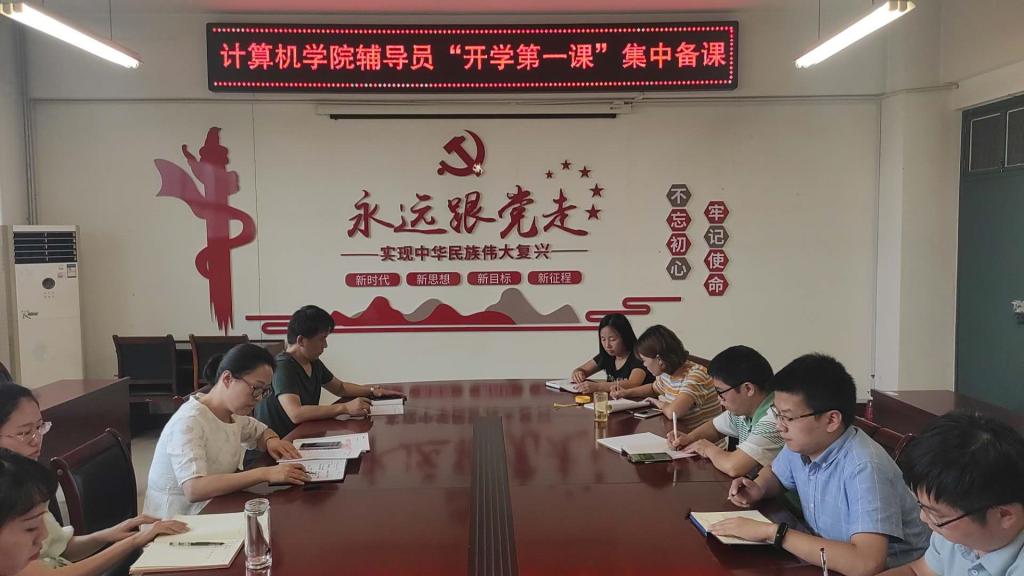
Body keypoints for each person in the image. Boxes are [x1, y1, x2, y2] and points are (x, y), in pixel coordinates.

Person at [711, 353, 930, 576]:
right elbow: (776, 474)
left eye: (787, 417)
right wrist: (758, 488)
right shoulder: (804, 443)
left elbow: (867, 563)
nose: (779, 426)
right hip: (825, 559)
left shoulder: (865, 467)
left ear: (831, 420)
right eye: (777, 414)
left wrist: (773, 533)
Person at [0, 384, 187, 575]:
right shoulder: (10, 491)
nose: (36, 439)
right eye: (24, 433)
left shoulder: (28, 479)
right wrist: (132, 541)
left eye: (39, 427)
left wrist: (109, 535)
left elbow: (60, 548)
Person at [144, 344, 308, 519]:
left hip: (216, 504)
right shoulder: (189, 421)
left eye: (265, 391)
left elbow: (260, 431)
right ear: (228, 378)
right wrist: (265, 473)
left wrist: (272, 441)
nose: (259, 398)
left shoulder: (231, 413)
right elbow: (194, 489)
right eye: (256, 389)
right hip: (178, 519)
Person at [878, 412, 1024, 576]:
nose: (923, 518)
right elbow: (918, 572)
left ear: (1004, 515)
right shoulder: (955, 532)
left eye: (937, 515)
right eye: (922, 506)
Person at [253, 305, 404, 440]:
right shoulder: (283, 366)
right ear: (301, 340)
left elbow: (340, 388)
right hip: (275, 449)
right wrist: (345, 408)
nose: (325, 345)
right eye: (322, 339)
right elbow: (296, 413)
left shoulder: (313, 362)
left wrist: (372, 391)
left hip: (300, 439)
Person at [667, 345, 782, 477]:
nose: (719, 398)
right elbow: (715, 428)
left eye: (720, 392)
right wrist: (688, 439)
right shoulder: (745, 410)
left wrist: (707, 448)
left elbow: (734, 467)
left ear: (748, 389)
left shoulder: (775, 419)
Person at [611, 325, 720, 428]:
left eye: (644, 360)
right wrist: (626, 393)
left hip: (702, 440)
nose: (644, 365)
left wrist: (656, 402)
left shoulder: (696, 376)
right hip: (680, 434)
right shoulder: (666, 373)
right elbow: (653, 389)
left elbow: (674, 412)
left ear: (659, 359)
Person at [569, 313, 653, 394]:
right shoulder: (607, 355)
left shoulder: (638, 355)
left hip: (639, 401)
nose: (607, 345)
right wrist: (578, 373)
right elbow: (582, 370)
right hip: (615, 401)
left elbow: (633, 383)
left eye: (612, 339)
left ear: (625, 337)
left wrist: (598, 387)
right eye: (603, 339)